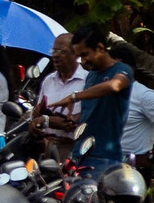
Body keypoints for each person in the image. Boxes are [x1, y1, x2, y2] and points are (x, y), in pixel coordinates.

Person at [56, 24, 134, 163]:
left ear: (100, 48)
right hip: (80, 153)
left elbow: (114, 86)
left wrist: (74, 97)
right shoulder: (91, 75)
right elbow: (91, 110)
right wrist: (71, 119)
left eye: (85, 55)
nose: (83, 61)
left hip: (104, 156)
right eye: (79, 57)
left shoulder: (122, 69)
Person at [31, 32, 85, 144]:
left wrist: (49, 121)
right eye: (54, 51)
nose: (55, 55)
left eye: (62, 51)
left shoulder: (86, 81)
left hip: (71, 147)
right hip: (46, 145)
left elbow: (81, 122)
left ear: (75, 54)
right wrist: (36, 119)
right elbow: (39, 112)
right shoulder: (48, 80)